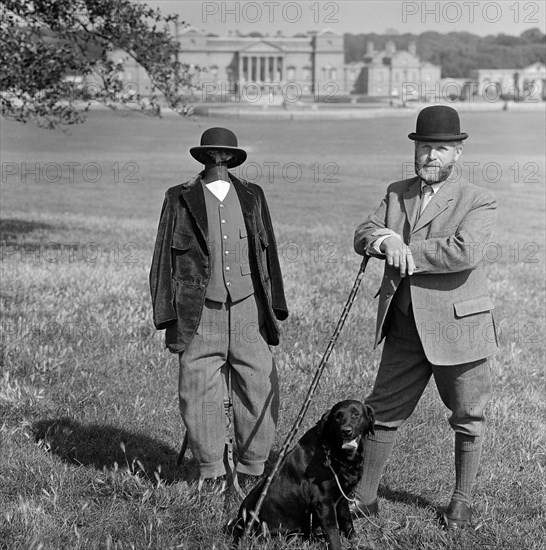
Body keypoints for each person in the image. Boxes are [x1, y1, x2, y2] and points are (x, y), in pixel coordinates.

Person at [352, 106, 498, 529]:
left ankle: (461, 501)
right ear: (415, 150)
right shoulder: (397, 192)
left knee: (468, 416)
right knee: (381, 412)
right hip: (403, 325)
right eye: (425, 147)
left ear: (457, 154)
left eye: (441, 148)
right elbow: (364, 231)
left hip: (460, 327)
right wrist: (383, 239)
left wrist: (405, 251)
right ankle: (364, 497)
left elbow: (464, 251)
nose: (431, 156)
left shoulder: (479, 199)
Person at [150, 127, 288, 486]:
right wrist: (166, 313)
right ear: (202, 157)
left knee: (259, 382)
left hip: (248, 307)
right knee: (197, 387)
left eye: (224, 154)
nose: (218, 160)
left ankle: (253, 465)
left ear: (232, 158)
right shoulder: (179, 198)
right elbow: (162, 257)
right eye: (211, 154)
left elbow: (267, 252)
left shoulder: (252, 195)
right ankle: (211, 469)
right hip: (198, 310)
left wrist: (275, 305)